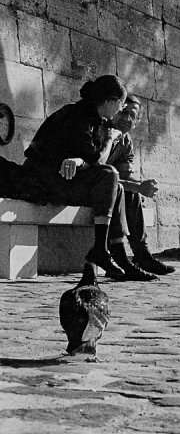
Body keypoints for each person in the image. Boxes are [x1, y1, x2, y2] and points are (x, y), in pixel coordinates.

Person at [23, 75, 157, 282]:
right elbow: (97, 161)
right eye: (121, 105)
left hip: (64, 180)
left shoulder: (96, 120)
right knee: (109, 176)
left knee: (117, 188)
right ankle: (103, 251)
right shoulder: (76, 116)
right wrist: (109, 141)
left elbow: (87, 161)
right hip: (41, 182)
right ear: (111, 101)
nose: (120, 111)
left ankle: (118, 256)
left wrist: (79, 161)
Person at [106, 96, 175, 275]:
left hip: (108, 190)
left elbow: (125, 176)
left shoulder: (125, 141)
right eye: (122, 111)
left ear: (136, 122)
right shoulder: (101, 131)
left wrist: (144, 185)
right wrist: (136, 187)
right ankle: (118, 254)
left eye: (132, 115)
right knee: (128, 190)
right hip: (88, 186)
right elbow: (100, 176)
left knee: (131, 192)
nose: (126, 118)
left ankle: (141, 253)